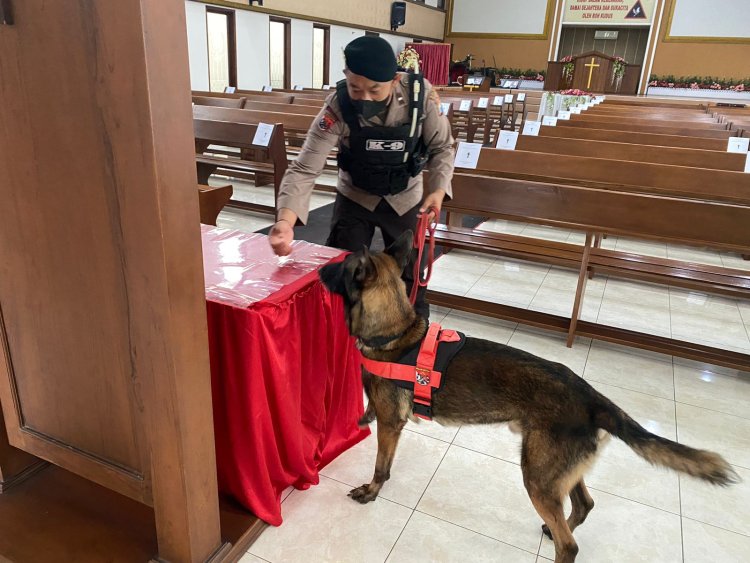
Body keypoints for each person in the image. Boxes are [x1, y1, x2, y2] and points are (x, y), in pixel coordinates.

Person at [268, 36, 455, 319]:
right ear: (346, 77)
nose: (364, 98)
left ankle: (411, 334)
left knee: (408, 273)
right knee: (345, 270)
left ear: (394, 81)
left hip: (405, 197)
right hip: (355, 196)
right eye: (356, 88)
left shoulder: (421, 96)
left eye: (374, 90)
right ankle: (342, 333)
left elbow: (442, 147)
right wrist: (285, 222)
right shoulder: (338, 106)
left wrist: (438, 190)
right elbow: (306, 167)